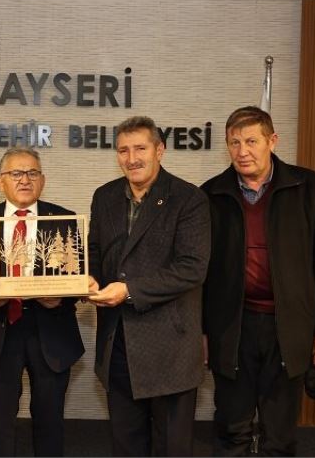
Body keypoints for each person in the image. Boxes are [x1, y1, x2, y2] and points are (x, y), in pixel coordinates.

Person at [201, 106, 315, 456]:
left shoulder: (309, 188)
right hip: (231, 328)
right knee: (231, 428)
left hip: (290, 328)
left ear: (272, 141)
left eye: (251, 141)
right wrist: (202, 332)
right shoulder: (211, 194)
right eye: (234, 142)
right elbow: (202, 274)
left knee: (279, 435)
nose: (242, 151)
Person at [87, 116, 211, 456]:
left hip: (169, 346)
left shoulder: (189, 199)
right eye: (123, 150)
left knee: (172, 447)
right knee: (126, 444)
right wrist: (91, 277)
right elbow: (94, 251)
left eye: (140, 148)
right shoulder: (105, 196)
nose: (132, 158)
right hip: (117, 343)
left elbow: (192, 269)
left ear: (160, 150)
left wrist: (128, 291)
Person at [0, 147, 85, 456]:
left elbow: (77, 276)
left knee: (50, 418)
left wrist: (61, 299)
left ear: (43, 180)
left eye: (32, 173)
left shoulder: (64, 219)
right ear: (0, 181)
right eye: (16, 173)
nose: (25, 180)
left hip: (51, 331)